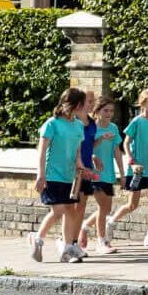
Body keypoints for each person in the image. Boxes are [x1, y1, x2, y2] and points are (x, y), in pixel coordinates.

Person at [29, 87, 92, 263]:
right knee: (58, 211)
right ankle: (38, 239)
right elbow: (42, 151)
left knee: (71, 210)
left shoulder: (79, 125)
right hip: (52, 175)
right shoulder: (52, 124)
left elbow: (77, 152)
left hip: (69, 175)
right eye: (78, 105)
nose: (80, 109)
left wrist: (81, 167)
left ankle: (66, 248)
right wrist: (41, 175)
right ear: (67, 104)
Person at [111, 89, 148, 248]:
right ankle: (111, 221)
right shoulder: (136, 122)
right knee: (132, 205)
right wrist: (131, 161)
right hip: (137, 170)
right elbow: (126, 143)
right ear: (142, 104)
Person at [77, 96, 121, 255]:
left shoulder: (114, 128)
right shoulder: (91, 128)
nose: (109, 113)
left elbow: (117, 151)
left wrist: (122, 174)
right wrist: (94, 157)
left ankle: (85, 226)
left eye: (111, 111)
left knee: (106, 208)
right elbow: (85, 148)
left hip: (108, 174)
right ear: (96, 111)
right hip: (93, 174)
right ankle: (102, 241)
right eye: (105, 110)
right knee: (103, 207)